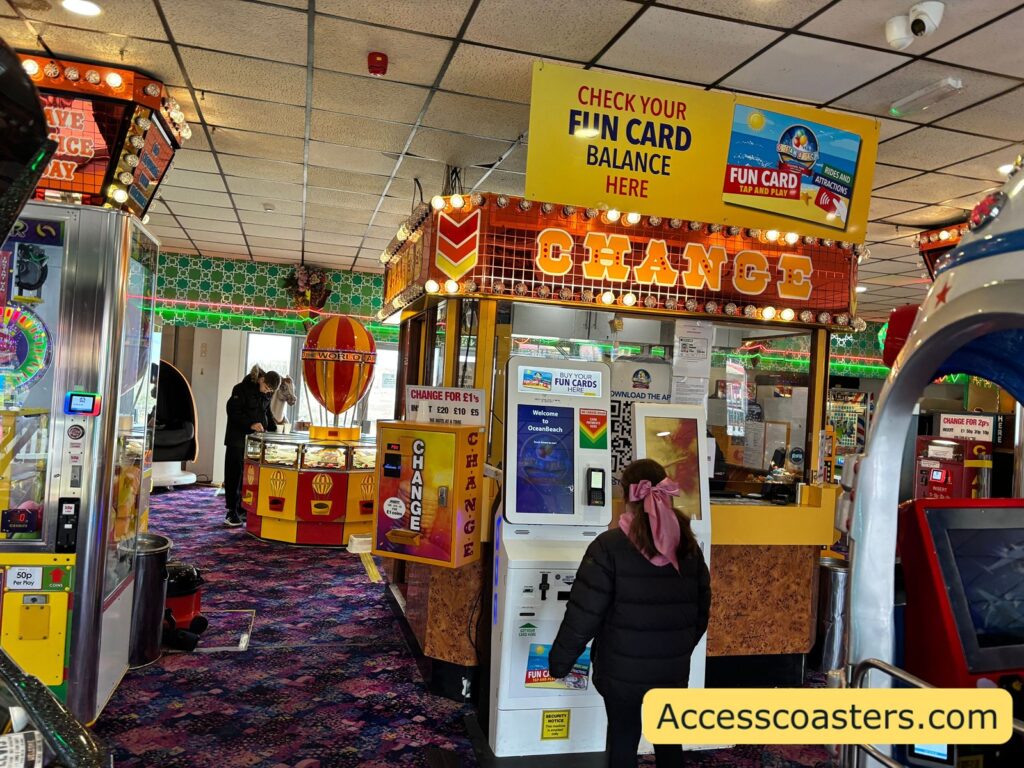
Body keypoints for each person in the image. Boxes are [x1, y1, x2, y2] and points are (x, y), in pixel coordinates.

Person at [548, 458, 711, 768]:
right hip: (671, 670)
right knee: (669, 743)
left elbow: (584, 614)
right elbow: (702, 608)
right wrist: (678, 648)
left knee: (623, 740)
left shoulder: (608, 546)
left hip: (621, 673)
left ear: (626, 496)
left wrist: (559, 662)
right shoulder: (687, 544)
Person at [223, 367, 281, 528]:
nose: (267, 392)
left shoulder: (267, 393)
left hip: (255, 441)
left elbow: (267, 412)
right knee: (234, 475)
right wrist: (251, 424)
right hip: (236, 439)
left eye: (270, 391)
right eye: (266, 388)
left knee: (249, 477)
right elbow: (233, 412)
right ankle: (231, 511)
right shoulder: (240, 389)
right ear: (262, 379)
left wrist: (274, 429)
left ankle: (243, 508)